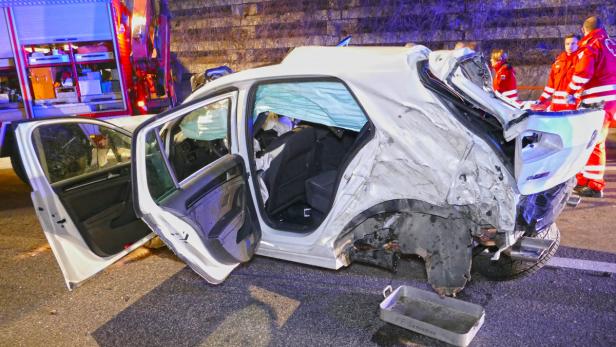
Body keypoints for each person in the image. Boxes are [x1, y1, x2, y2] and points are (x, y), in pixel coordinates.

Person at [564, 16, 616, 198]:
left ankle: (594, 184)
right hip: (609, 100)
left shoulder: (591, 45)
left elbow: (584, 72)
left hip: (596, 100)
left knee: (592, 142)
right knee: (592, 141)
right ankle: (587, 180)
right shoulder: (611, 45)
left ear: (584, 30)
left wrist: (570, 91)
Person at [534, 34, 579, 111]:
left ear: (579, 44)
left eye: (573, 43)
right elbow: (551, 85)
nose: (570, 46)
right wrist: (542, 99)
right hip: (555, 107)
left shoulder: (581, 60)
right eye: (567, 44)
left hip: (572, 107)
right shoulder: (558, 61)